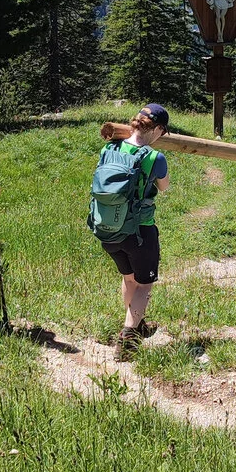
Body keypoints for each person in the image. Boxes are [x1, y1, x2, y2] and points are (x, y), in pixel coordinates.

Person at [99, 104, 171, 360]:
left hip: (107, 229)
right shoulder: (154, 157)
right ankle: (128, 339)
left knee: (129, 278)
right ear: (159, 130)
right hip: (139, 231)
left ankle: (135, 324)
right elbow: (164, 187)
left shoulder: (109, 148)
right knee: (145, 283)